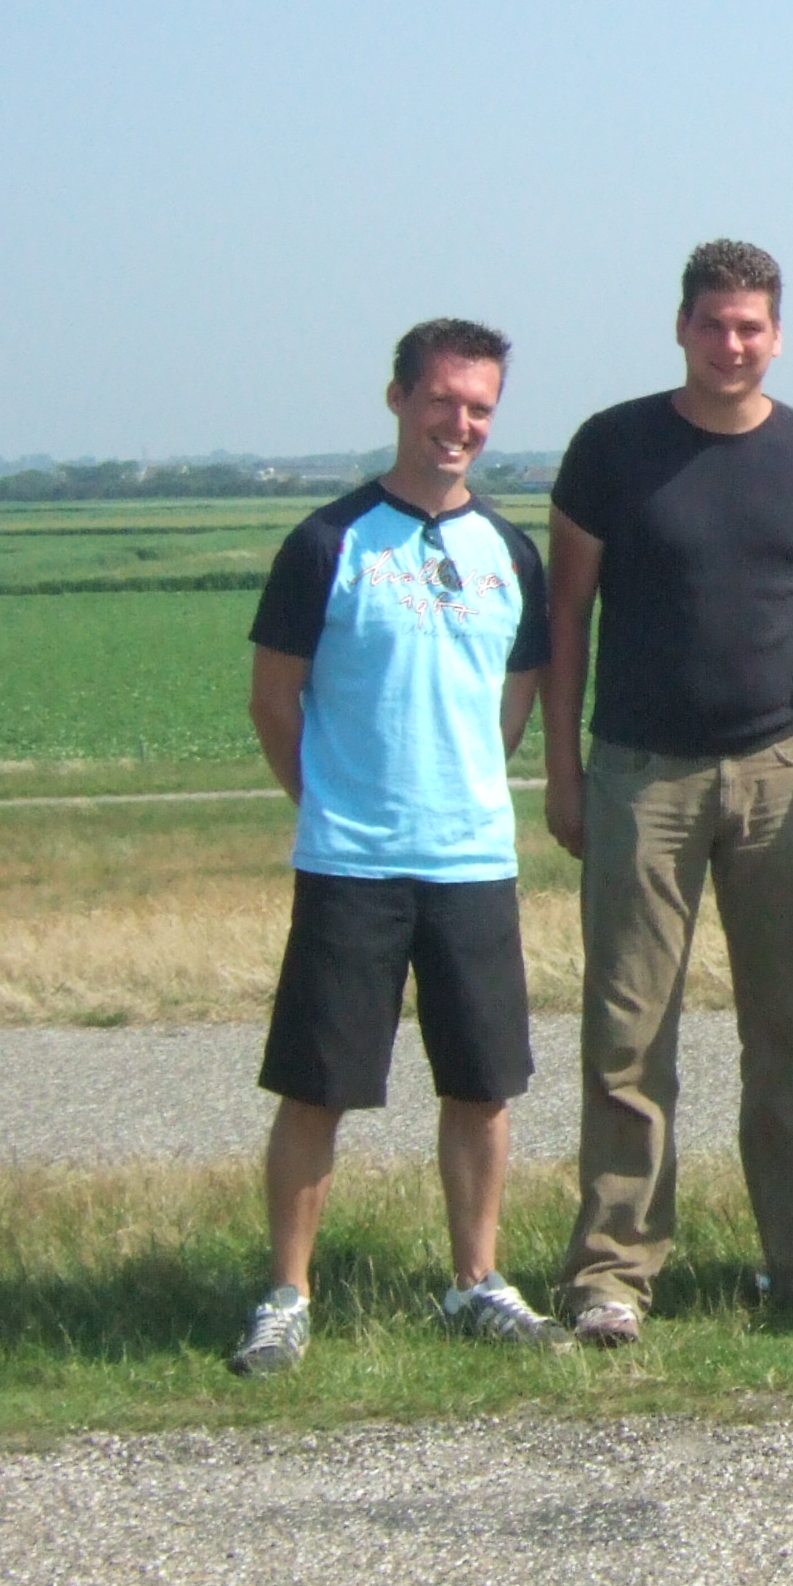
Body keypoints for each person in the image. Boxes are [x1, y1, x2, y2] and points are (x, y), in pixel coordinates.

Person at [544, 239, 793, 1346]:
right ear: (680, 327)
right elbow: (566, 619)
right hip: (640, 771)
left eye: (752, 327)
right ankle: (615, 1274)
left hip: (780, 768)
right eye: (714, 324)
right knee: (628, 1034)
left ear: (777, 335)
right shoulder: (610, 448)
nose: (732, 345)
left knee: (792, 1033)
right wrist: (564, 770)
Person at [231, 318, 558, 1375]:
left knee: (482, 1083)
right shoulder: (328, 542)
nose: (459, 423)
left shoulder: (509, 550)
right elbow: (274, 701)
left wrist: (460, 783)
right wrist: (332, 799)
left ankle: (478, 1281)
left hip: (471, 860)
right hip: (350, 862)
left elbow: (518, 695)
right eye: (442, 400)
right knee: (318, 1085)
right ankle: (287, 1295)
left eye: (479, 407)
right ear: (398, 400)